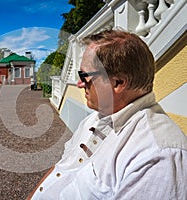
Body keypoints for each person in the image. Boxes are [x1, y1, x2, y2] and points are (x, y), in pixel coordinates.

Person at [27, 29, 187, 199]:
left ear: (118, 83)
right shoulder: (95, 118)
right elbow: (61, 169)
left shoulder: (159, 157)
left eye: (84, 76)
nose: (80, 84)